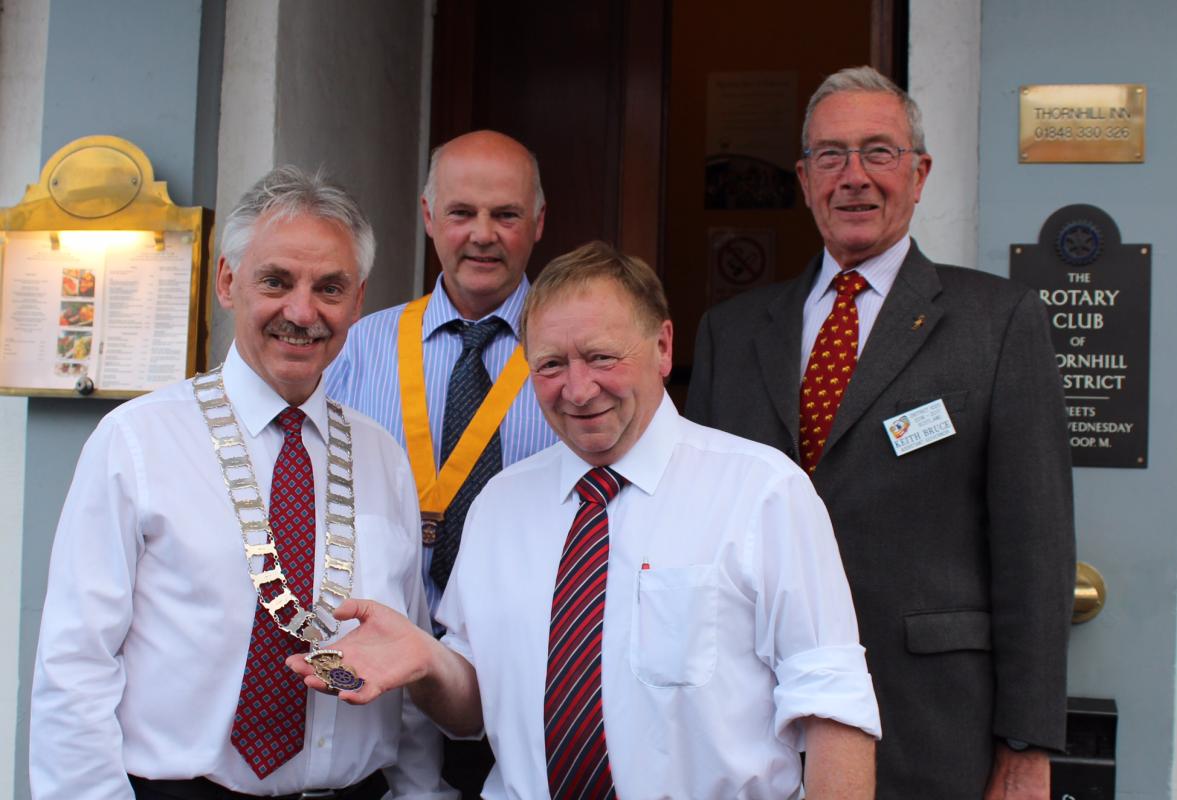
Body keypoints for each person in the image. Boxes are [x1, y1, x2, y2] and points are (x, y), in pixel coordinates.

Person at [291, 241, 882, 799]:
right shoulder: (500, 505)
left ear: (662, 347)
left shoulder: (763, 492)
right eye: (550, 365)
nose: (577, 389)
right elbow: (475, 709)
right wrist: (426, 662)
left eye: (601, 357)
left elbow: (834, 706)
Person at [686, 65, 1075, 799]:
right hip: (750, 724)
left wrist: (1025, 745)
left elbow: (1035, 550)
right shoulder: (730, 333)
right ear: (803, 180)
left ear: (920, 173)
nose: (853, 176)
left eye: (878, 152)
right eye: (830, 155)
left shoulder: (996, 323)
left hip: (930, 727)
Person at [30, 166, 452, 800]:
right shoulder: (137, 442)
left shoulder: (381, 455)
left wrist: (420, 791)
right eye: (276, 281)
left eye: (329, 288)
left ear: (358, 301)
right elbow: (76, 664)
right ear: (228, 281)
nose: (302, 311)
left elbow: (403, 650)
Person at [325, 129, 556, 798]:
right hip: (378, 690)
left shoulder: (574, 358)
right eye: (461, 213)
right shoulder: (355, 349)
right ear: (428, 217)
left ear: (537, 223)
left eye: (505, 215)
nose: (481, 234)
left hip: (525, 685)